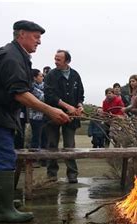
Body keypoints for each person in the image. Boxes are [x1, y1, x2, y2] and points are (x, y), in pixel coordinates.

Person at [0, 20, 70, 222]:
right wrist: (50, 110)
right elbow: (19, 93)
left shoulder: (9, 53)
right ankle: (3, 211)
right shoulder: (11, 57)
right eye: (36, 37)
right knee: (3, 158)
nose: (39, 42)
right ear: (21, 35)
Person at [44, 49, 85, 183]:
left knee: (70, 145)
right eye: (55, 59)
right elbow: (49, 95)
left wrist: (79, 105)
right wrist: (67, 106)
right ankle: (51, 174)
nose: (56, 62)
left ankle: (72, 174)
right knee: (52, 144)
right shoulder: (51, 75)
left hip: (71, 117)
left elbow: (80, 94)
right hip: (53, 115)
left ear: (67, 61)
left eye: (59, 60)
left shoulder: (75, 75)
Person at [29, 69, 47, 152]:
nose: (42, 77)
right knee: (36, 138)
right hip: (35, 116)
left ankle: (44, 159)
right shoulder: (31, 88)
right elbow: (43, 97)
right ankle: (34, 158)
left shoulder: (45, 86)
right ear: (34, 78)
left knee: (45, 138)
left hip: (45, 115)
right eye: (40, 76)